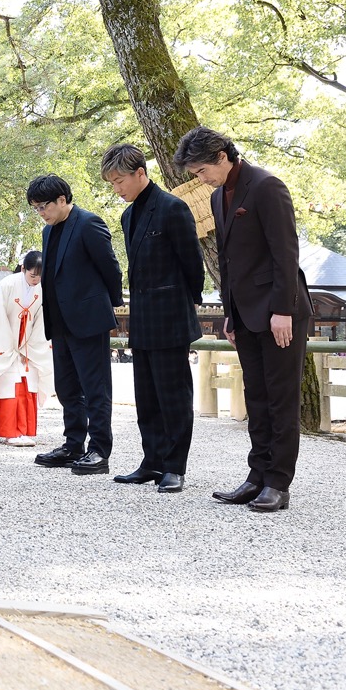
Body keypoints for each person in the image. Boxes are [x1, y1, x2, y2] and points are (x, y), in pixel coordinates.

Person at [174, 126, 311, 513]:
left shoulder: (267, 186)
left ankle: (278, 483)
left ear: (222, 156)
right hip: (245, 312)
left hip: (280, 309)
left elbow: (286, 253)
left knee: (281, 396)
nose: (200, 179)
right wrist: (229, 314)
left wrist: (282, 310)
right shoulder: (218, 196)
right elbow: (227, 262)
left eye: (201, 170)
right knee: (257, 396)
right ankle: (256, 476)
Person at [102, 143, 204, 494]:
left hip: (171, 315)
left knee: (173, 395)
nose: (117, 189)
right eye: (112, 183)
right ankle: (152, 461)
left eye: (119, 181)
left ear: (140, 173)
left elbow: (193, 264)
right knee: (146, 395)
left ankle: (175, 466)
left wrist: (184, 304)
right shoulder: (128, 216)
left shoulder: (173, 208)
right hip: (143, 316)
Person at [27, 175, 124, 475]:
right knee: (67, 387)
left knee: (95, 388)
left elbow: (110, 267)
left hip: (88, 319)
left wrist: (110, 303)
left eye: (44, 206)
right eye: (35, 208)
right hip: (59, 321)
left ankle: (99, 450)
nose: (41, 213)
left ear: (62, 199)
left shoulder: (88, 223)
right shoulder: (48, 231)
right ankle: (73, 445)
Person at [0, 251, 54, 447]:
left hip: (28, 346)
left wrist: (29, 349)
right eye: (32, 275)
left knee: (28, 384)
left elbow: (42, 322)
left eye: (40, 276)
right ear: (23, 269)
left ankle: (25, 430)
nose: (36, 280)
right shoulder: (8, 285)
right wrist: (9, 347)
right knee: (9, 385)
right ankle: (10, 431)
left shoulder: (43, 289)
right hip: (4, 344)